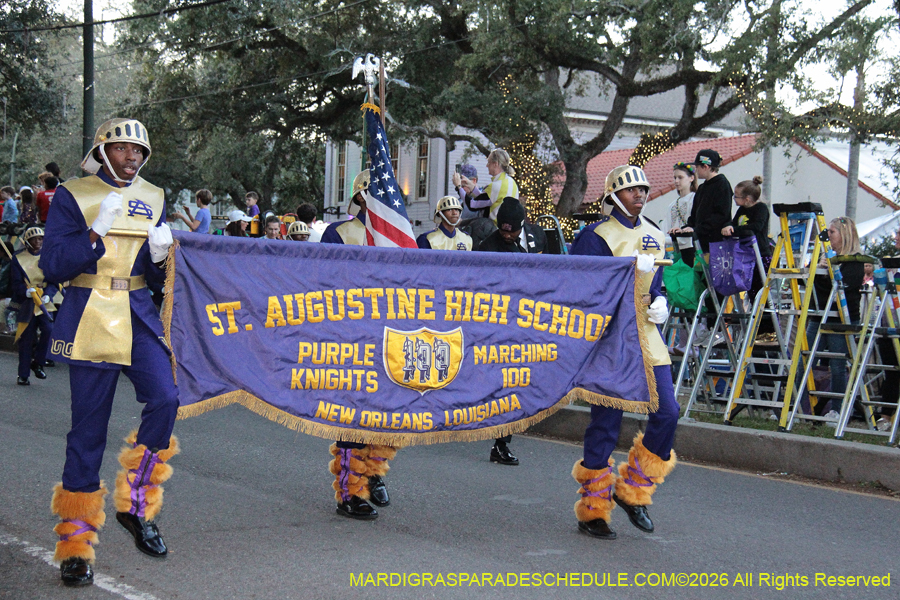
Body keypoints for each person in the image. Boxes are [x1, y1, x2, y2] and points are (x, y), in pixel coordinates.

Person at [39, 118, 179, 587]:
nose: (132, 158)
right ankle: (76, 544)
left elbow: (162, 283)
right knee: (88, 431)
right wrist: (94, 234)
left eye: (139, 151)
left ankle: (136, 506)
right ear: (102, 152)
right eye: (122, 149)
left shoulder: (156, 197)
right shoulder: (72, 194)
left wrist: (163, 262)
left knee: (166, 398)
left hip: (137, 313)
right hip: (90, 315)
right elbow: (54, 265)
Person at [568, 165, 678, 540]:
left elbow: (658, 283)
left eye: (644, 189)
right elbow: (583, 290)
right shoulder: (595, 235)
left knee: (668, 412)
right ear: (614, 195)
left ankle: (633, 490)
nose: (640, 195)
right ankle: (594, 509)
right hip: (610, 338)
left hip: (646, 335)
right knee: (606, 421)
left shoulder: (655, 234)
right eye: (632, 190)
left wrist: (661, 300)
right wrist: (625, 270)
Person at [320, 170, 398, 520]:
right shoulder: (338, 233)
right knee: (354, 413)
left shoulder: (398, 235)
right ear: (361, 197)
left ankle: (375, 473)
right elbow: (322, 284)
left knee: (393, 410)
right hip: (351, 334)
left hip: (392, 333)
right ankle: (350, 490)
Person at [474, 197, 533, 465]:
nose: (508, 234)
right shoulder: (487, 250)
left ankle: (501, 443)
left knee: (512, 387)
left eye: (513, 230)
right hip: (488, 329)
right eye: (504, 229)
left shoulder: (525, 248)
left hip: (514, 329)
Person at [811, 216, 864, 420]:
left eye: (832, 232)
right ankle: (794, 405)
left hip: (841, 318)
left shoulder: (855, 261)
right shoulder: (826, 256)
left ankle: (837, 409)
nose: (828, 236)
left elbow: (840, 289)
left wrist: (827, 273)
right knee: (803, 360)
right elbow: (816, 287)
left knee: (837, 365)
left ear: (844, 235)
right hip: (819, 313)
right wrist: (821, 270)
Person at [10, 226, 56, 385]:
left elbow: (53, 280)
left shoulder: (48, 257)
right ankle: (23, 374)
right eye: (35, 239)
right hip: (28, 303)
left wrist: (49, 293)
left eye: (41, 238)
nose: (38, 242)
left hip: (44, 301)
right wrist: (25, 292)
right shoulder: (18, 258)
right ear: (28, 241)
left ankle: (39, 362)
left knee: (49, 330)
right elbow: (15, 284)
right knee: (26, 337)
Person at [721, 175, 771, 302]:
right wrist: (728, 227)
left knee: (759, 289)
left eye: (736, 196)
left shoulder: (761, 208)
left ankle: (765, 318)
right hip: (745, 254)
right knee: (750, 289)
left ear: (747, 199)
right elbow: (734, 223)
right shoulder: (741, 210)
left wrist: (734, 230)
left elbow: (756, 226)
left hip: (760, 254)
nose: (734, 199)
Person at [464, 149, 519, 223]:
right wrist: (470, 185)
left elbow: (473, 205)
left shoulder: (495, 186)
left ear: (495, 164)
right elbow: (484, 198)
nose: (487, 165)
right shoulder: (511, 182)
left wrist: (458, 187)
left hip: (494, 228)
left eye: (488, 162)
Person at [667, 162, 698, 266]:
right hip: (677, 247)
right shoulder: (672, 205)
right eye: (675, 177)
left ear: (691, 178)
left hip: (693, 245)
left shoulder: (696, 199)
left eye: (680, 177)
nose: (676, 181)